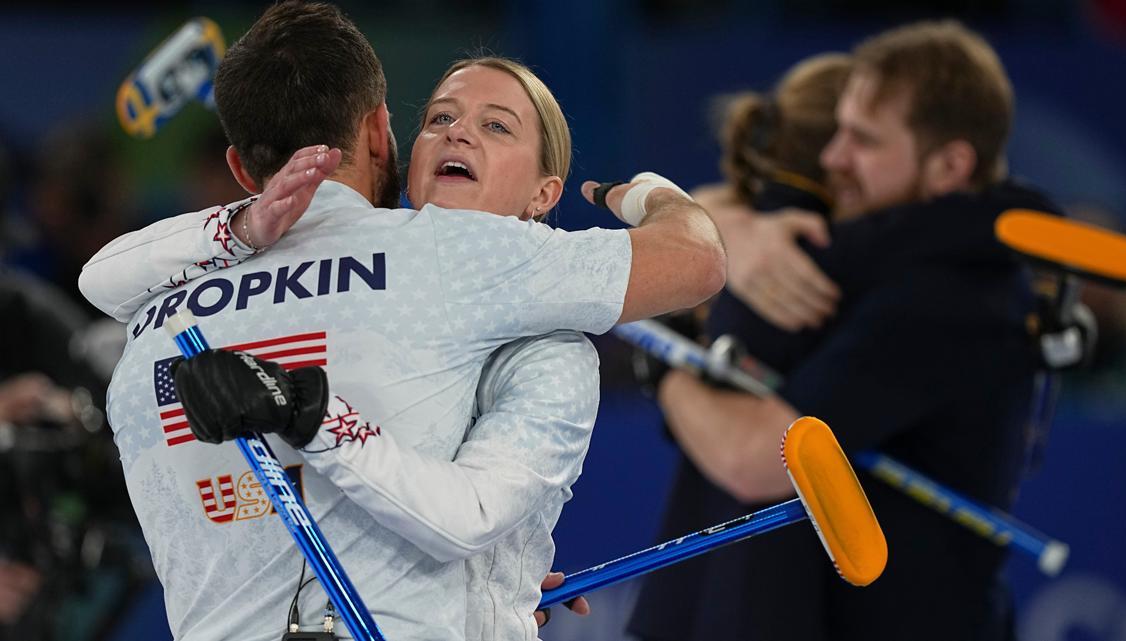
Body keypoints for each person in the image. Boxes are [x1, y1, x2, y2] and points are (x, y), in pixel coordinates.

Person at [78, 4, 724, 641]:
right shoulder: (448, 256)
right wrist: (640, 193)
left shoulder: (153, 313)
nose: (457, 133)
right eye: (440, 118)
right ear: (385, 134)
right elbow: (695, 257)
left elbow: (99, 278)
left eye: (497, 126)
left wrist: (491, 583)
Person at [628, 21, 1060, 641]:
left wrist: (666, 368)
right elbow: (723, 201)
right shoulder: (896, 250)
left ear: (950, 165)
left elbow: (757, 459)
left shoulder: (955, 295)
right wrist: (734, 238)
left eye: (862, 139)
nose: (835, 158)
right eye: (836, 133)